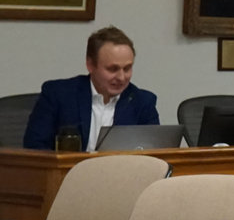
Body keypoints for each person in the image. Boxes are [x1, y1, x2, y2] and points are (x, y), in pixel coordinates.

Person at [23, 25, 159, 150]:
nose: (122, 77)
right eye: (113, 69)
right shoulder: (59, 95)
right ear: (90, 65)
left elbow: (157, 153)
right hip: (68, 174)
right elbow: (34, 147)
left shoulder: (142, 102)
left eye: (127, 68)